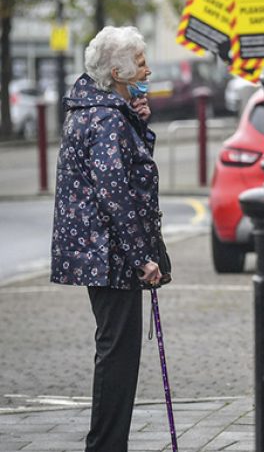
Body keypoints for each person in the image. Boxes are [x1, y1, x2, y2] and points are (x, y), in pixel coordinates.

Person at [50, 26, 167, 452]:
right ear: (117, 71)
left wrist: (137, 122)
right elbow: (115, 194)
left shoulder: (102, 111)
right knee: (118, 354)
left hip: (100, 251)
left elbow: (128, 173)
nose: (147, 68)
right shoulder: (104, 119)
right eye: (139, 62)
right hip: (108, 255)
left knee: (115, 350)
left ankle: (107, 442)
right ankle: (105, 445)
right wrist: (143, 257)